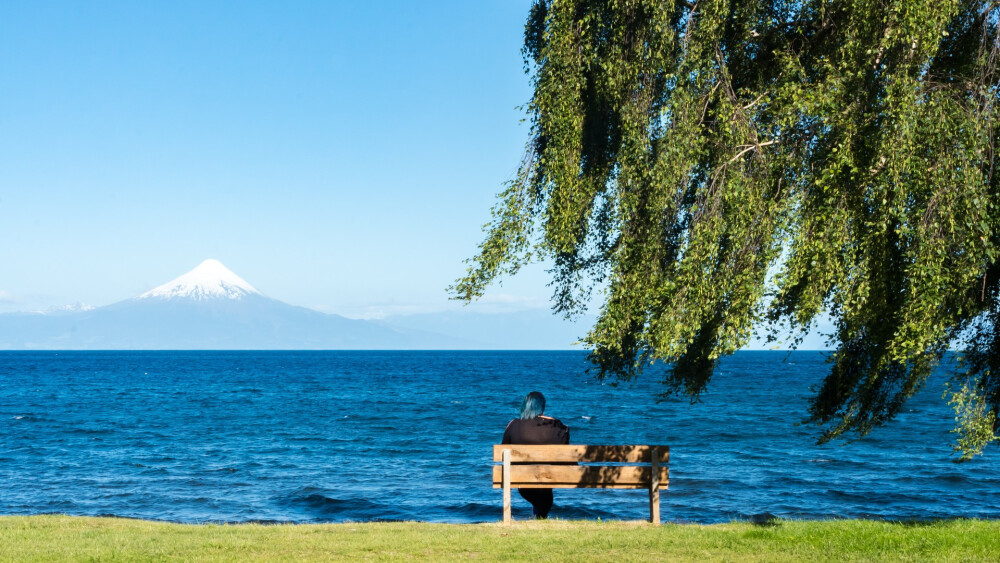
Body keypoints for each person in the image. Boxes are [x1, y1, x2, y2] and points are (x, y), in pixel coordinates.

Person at [501, 391, 570, 519]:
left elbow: (503, 453)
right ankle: (539, 517)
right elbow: (565, 456)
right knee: (545, 496)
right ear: (542, 407)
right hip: (549, 477)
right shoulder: (558, 426)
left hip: (522, 479)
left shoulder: (513, 424)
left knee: (539, 497)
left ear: (525, 406)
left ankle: (538, 517)